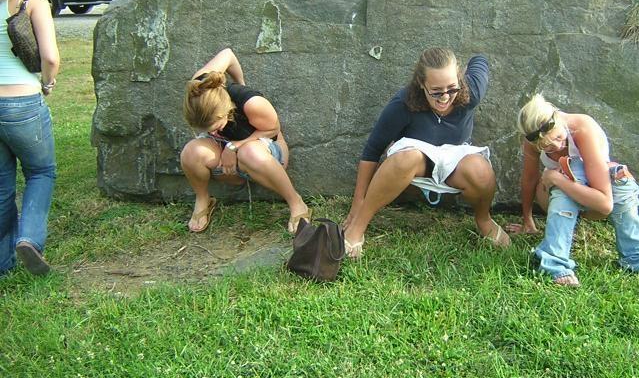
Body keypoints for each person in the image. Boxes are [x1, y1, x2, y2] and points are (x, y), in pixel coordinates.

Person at [342, 47, 507, 259]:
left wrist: (470, 66)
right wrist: (357, 204)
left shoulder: (471, 91)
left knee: (482, 170)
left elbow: (481, 59)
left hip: (456, 159)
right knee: (406, 159)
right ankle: (359, 226)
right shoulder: (402, 104)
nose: (445, 97)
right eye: (436, 91)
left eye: (452, 88)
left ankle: (484, 220)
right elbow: (372, 151)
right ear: (421, 84)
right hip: (416, 159)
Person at [511, 93, 639, 287]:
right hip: (558, 199)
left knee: (620, 179)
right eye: (547, 148)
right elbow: (529, 178)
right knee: (566, 175)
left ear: (558, 119)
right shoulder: (533, 141)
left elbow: (605, 205)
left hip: (598, 197)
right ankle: (554, 264)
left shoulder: (581, 128)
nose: (557, 146)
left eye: (558, 137)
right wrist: (527, 220)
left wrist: (556, 178)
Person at [180, 48, 310, 233]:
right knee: (191, 152)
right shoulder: (200, 87)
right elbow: (227, 55)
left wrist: (234, 147)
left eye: (216, 126)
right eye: (207, 131)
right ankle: (203, 199)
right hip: (228, 162)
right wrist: (240, 80)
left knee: (249, 152)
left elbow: (273, 130)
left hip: (266, 152)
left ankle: (296, 202)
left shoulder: (252, 103)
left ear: (226, 109)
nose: (213, 132)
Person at [0, 0, 60, 277]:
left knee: (1, 183)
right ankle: (30, 239)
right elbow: (50, 57)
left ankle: (3, 263)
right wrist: (48, 83)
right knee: (41, 171)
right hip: (22, 102)